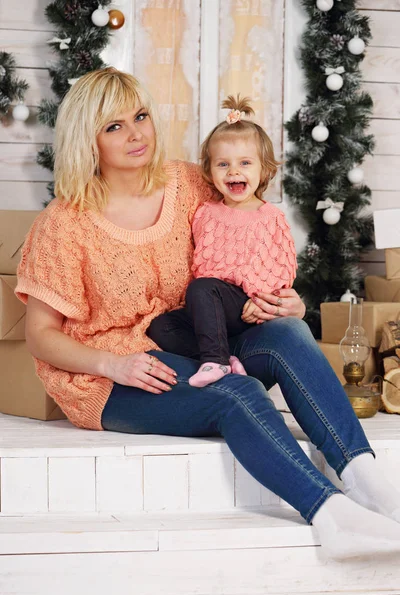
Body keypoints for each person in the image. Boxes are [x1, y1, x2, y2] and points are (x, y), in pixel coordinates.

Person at [16, 67, 400, 562]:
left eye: (141, 116)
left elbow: (251, 244)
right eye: (114, 126)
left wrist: (288, 299)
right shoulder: (63, 224)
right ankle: (331, 515)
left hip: (200, 338)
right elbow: (41, 336)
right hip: (116, 371)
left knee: (287, 332)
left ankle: (365, 478)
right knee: (232, 393)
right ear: (86, 140)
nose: (136, 134)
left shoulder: (190, 182)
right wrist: (112, 365)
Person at [148, 95, 297, 388]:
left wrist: (261, 299)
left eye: (245, 163)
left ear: (264, 169)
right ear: (210, 172)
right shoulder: (205, 213)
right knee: (162, 326)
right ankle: (225, 360)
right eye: (223, 164)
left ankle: (214, 361)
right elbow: (201, 261)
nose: (234, 171)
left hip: (246, 306)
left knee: (204, 287)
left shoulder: (270, 217)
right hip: (209, 307)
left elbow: (282, 267)